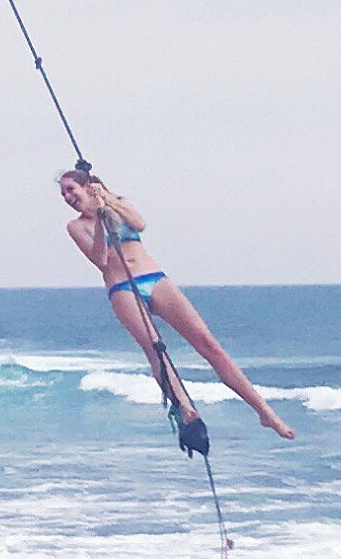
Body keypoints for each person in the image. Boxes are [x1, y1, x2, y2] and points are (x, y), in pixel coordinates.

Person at [60, 166, 296, 443]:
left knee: (208, 343)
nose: (67, 196)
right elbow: (100, 259)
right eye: (63, 193)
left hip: (153, 278)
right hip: (123, 288)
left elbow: (139, 224)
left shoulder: (119, 203)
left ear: (88, 186)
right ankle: (185, 408)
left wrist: (107, 203)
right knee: (157, 350)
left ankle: (265, 411)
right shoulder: (76, 227)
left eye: (70, 189)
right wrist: (100, 221)